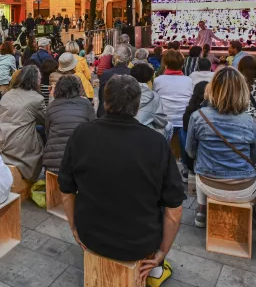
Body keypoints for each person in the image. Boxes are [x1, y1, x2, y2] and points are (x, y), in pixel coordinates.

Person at [58, 75, 185, 280]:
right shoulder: (156, 143)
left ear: (105, 102)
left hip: (91, 235)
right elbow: (174, 210)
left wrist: (74, 228)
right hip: (140, 243)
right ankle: (155, 270)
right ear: (136, 106)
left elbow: (66, 190)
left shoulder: (82, 133)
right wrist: (162, 252)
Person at [185, 67, 256, 228]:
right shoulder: (249, 120)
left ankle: (202, 210)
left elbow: (190, 151)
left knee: (199, 165)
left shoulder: (198, 116)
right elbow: (254, 157)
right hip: (244, 188)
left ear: (212, 88)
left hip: (209, 184)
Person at [0, 65, 46, 182]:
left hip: (1, 140)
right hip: (21, 146)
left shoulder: (7, 95)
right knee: (42, 131)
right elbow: (47, 120)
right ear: (36, 80)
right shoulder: (37, 99)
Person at [43, 75, 95, 172]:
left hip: (53, 164)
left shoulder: (51, 106)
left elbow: (48, 132)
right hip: (80, 161)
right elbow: (93, 129)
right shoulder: (86, 104)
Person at [153, 49, 194, 137]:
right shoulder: (189, 81)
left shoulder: (158, 80)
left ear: (165, 64)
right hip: (183, 124)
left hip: (164, 123)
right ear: (182, 65)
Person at [131, 64, 170, 139]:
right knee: (168, 126)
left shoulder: (124, 92)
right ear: (149, 79)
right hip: (145, 132)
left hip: (126, 130)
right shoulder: (155, 96)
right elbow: (161, 122)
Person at [97, 45, 133, 117]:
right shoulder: (132, 73)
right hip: (126, 114)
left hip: (105, 113)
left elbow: (101, 97)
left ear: (114, 58)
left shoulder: (106, 74)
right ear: (129, 59)